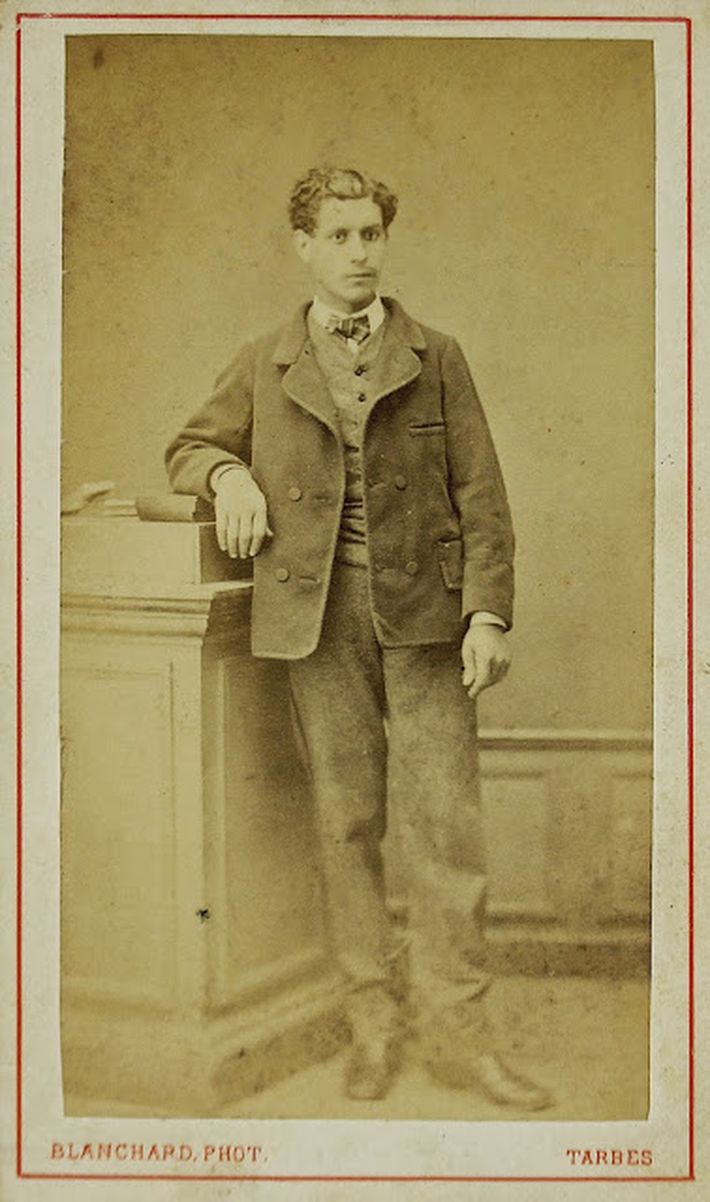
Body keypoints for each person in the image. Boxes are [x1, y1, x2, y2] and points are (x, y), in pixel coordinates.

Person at [166, 166, 550, 1109]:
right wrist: (229, 477)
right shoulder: (264, 361)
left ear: (386, 240)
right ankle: (372, 1028)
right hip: (318, 624)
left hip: (427, 621)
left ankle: (463, 1039)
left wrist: (487, 614)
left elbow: (484, 496)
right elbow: (186, 448)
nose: (357, 254)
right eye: (338, 237)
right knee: (346, 827)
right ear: (304, 247)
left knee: (446, 832)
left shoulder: (436, 354)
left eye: (370, 234)